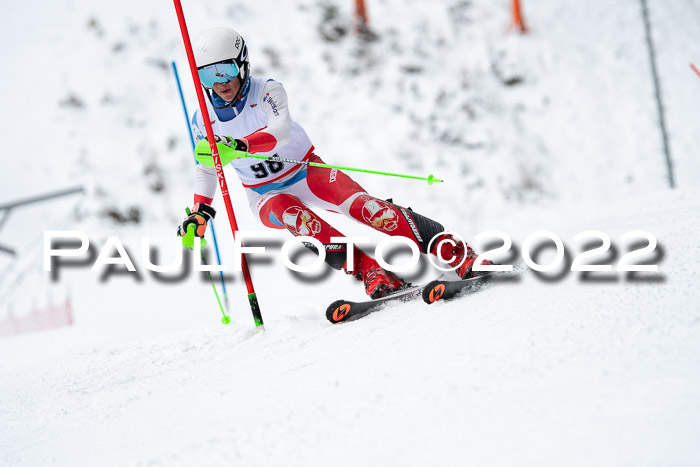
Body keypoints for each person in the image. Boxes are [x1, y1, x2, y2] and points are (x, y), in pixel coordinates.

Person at [178, 27, 492, 299]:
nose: (220, 82)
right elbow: (206, 167)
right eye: (208, 74)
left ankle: (454, 250)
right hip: (264, 193)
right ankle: (371, 271)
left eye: (226, 70)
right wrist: (200, 213)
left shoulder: (267, 91)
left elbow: (280, 131)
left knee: (367, 209)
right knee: (295, 218)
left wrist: (241, 145)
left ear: (242, 64)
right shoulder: (202, 120)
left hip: (306, 170)